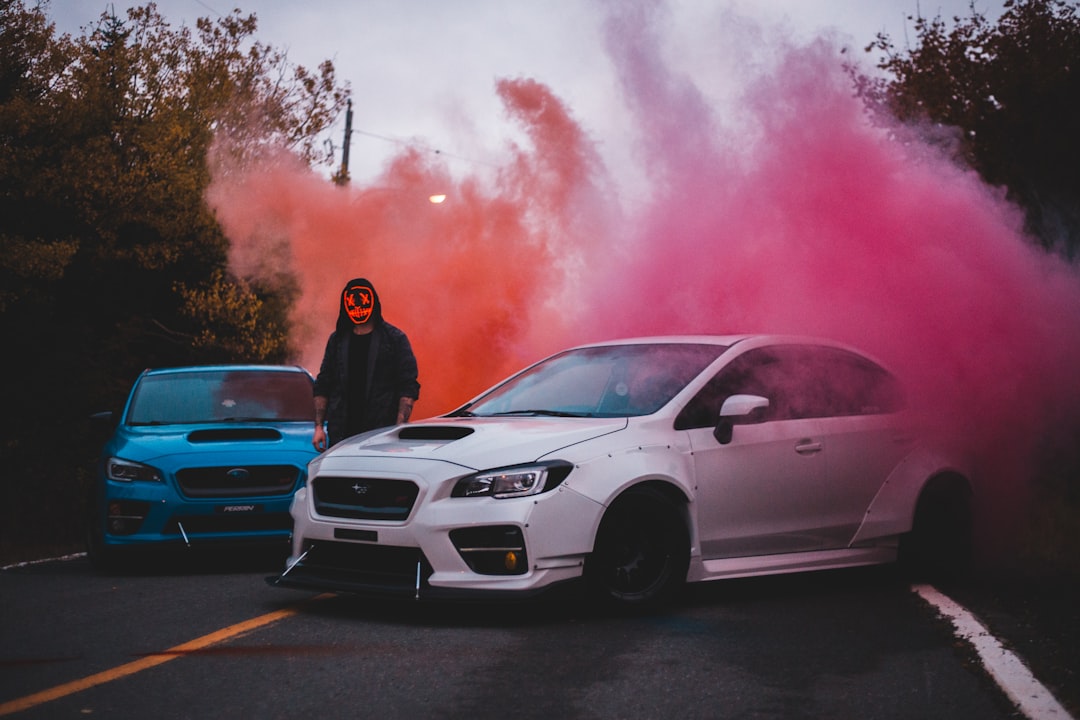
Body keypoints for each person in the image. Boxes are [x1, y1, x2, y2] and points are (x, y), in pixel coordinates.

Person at [312, 277, 420, 451]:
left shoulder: (394, 339)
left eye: (362, 303)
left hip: (380, 434)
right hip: (341, 433)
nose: (358, 309)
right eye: (352, 305)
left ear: (373, 303)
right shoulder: (337, 341)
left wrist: (398, 429)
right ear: (345, 306)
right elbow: (323, 383)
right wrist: (318, 427)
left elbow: (407, 386)